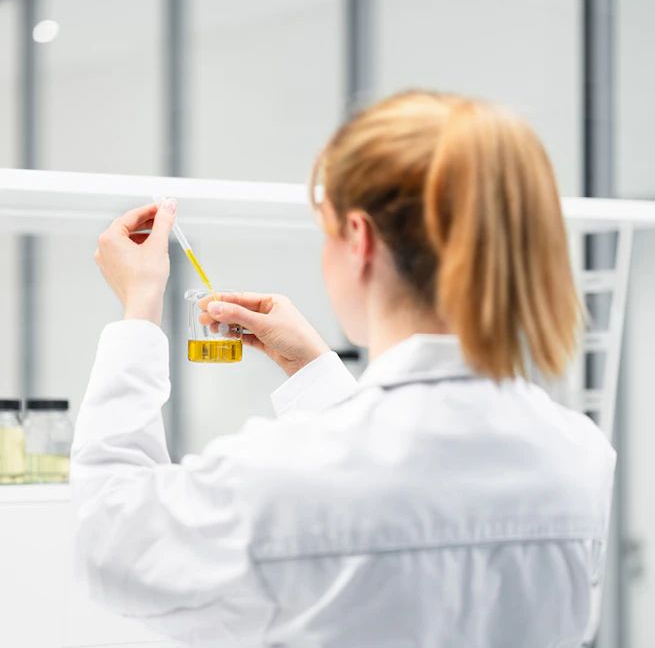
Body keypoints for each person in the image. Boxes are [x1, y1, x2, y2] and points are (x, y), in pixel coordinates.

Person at [72, 91, 615, 647]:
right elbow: (408, 489)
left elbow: (110, 542)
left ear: (359, 239)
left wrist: (139, 309)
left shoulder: (282, 474)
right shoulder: (579, 454)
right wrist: (313, 371)